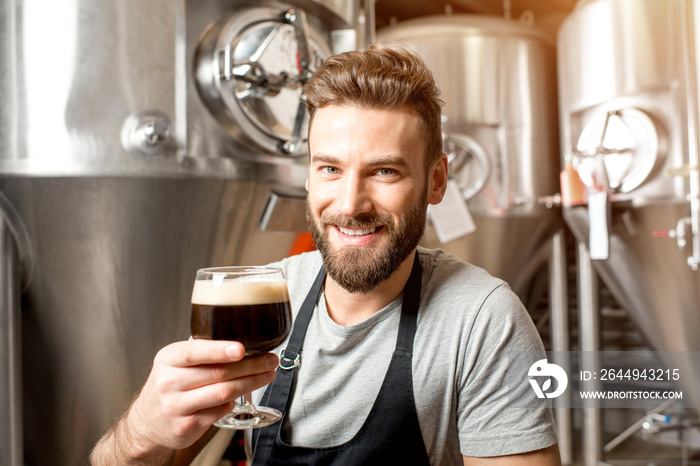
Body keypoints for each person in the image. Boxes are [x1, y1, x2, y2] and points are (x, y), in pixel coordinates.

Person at [90, 44, 561, 465]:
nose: (351, 204)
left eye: (384, 171)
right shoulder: (264, 298)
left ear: (436, 181)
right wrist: (140, 434)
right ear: (309, 177)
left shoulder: (481, 319)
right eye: (331, 168)